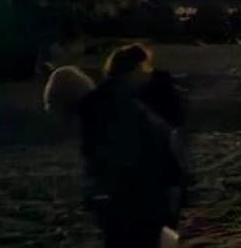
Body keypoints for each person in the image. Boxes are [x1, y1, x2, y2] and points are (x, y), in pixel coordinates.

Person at [79, 44, 186, 247]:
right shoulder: (128, 106)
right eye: (146, 68)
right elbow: (152, 147)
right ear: (135, 69)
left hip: (113, 194)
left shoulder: (98, 102)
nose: (149, 73)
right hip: (137, 195)